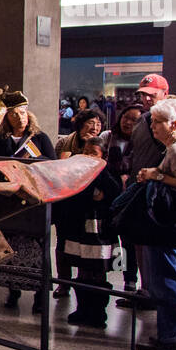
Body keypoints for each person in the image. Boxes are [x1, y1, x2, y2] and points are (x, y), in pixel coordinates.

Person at [134, 96, 176, 350]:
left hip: (167, 223)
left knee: (165, 277)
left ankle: (171, 334)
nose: (153, 127)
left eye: (158, 122)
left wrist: (156, 175)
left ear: (174, 124)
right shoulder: (175, 148)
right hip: (167, 222)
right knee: (166, 276)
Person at [0, 97, 56, 311]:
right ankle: (12, 291)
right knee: (9, 245)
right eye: (13, 114)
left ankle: (40, 297)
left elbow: (52, 162)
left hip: (33, 202)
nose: (19, 117)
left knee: (38, 248)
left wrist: (36, 162)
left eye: (22, 113)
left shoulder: (40, 138)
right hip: (10, 202)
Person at [60, 137, 121, 328]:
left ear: (103, 156)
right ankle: (82, 308)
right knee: (82, 269)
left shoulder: (108, 173)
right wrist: (92, 195)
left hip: (99, 231)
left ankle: (98, 312)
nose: (88, 157)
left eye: (93, 153)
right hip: (78, 227)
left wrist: (95, 193)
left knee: (97, 271)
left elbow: (112, 194)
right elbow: (75, 196)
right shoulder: (76, 171)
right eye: (86, 152)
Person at [108, 104, 144, 297]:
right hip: (111, 196)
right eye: (126, 117)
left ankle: (131, 280)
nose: (128, 122)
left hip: (131, 197)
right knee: (115, 240)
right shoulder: (109, 138)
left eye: (134, 119)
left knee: (130, 240)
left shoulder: (143, 143)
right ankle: (117, 274)